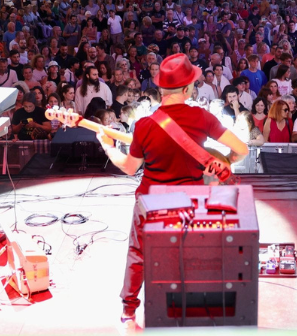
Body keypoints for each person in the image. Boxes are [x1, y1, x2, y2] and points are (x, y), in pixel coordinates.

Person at [95, 53, 249, 326]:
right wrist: (220, 164)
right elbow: (241, 149)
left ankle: (128, 311)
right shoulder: (202, 117)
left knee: (138, 254)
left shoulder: (144, 125)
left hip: (151, 203)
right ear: (188, 88)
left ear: (161, 90)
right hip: (189, 203)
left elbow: (130, 167)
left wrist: (108, 146)